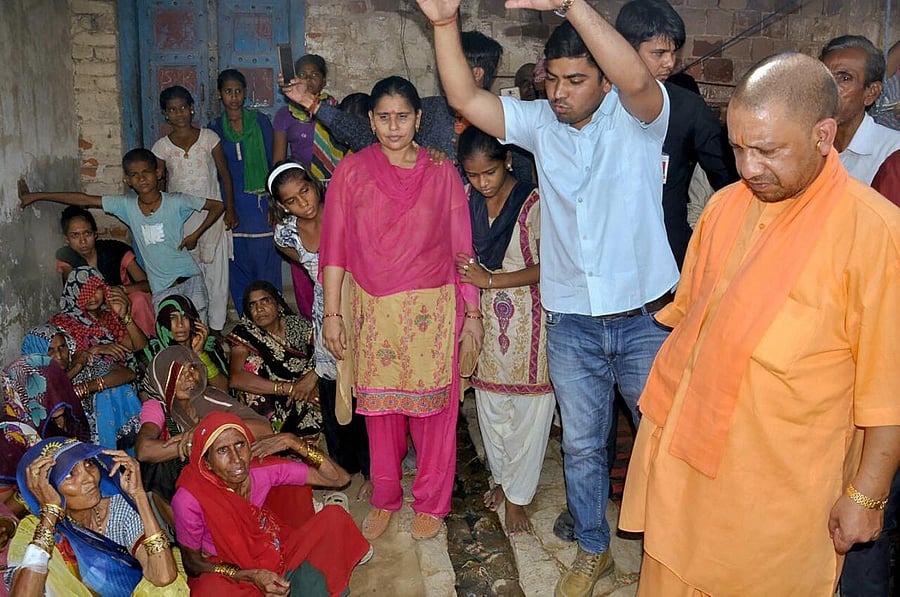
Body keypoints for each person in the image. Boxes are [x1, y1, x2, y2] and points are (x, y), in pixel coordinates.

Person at [417, 0, 675, 593]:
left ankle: (670, 549)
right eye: (552, 79)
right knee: (582, 448)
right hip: (574, 326)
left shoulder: (640, 115)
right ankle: (593, 550)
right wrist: (443, 24)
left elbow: (637, 75)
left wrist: (570, 5)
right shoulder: (539, 124)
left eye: (576, 80)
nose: (559, 93)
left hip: (644, 321)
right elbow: (465, 99)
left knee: (660, 443)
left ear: (605, 78)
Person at [619, 52, 900, 595]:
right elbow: (692, 332)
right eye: (739, 147)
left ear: (824, 136)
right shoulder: (725, 207)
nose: (748, 168)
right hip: (686, 474)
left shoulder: (876, 233)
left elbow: (887, 393)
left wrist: (866, 495)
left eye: (769, 151)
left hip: (777, 499)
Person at [320, 75, 482, 542]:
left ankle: (432, 501)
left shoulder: (441, 171)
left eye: (403, 117)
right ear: (370, 121)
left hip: (432, 309)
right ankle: (386, 497)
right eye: (384, 117)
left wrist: (470, 312)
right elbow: (334, 250)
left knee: (436, 414)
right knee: (381, 414)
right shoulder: (351, 172)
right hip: (373, 309)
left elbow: (460, 246)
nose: (394, 127)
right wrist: (333, 314)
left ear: (418, 120)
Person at [455, 127, 554, 534]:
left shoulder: (534, 203)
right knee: (491, 409)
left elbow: (552, 267)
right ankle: (502, 481)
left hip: (530, 322)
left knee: (529, 414)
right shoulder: (465, 200)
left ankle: (518, 498)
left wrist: (490, 281)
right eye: (473, 175)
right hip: (485, 321)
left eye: (490, 173)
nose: (482, 183)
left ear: (508, 161)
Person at [171, 412, 370, 595]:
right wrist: (250, 575)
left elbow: (340, 479)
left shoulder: (260, 469)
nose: (237, 459)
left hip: (274, 549)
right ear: (207, 463)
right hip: (231, 572)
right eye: (222, 450)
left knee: (334, 518)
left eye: (240, 444)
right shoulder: (190, 498)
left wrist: (293, 442)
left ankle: (297, 583)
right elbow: (192, 563)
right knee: (210, 590)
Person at [18, 148, 225, 322]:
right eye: (134, 175)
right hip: (161, 289)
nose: (141, 178)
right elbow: (83, 199)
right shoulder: (126, 206)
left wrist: (195, 235)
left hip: (190, 278)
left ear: (158, 173)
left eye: (147, 172)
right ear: (127, 180)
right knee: (171, 339)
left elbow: (217, 207)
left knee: (199, 334)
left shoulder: (176, 201)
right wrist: (36, 197)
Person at [269, 161, 372, 501]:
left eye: (305, 190)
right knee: (332, 387)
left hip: (361, 308)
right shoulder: (287, 234)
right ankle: (345, 465)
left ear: (314, 185)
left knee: (365, 387)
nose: (304, 202)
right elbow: (302, 259)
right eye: (292, 200)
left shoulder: (345, 212)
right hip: (325, 312)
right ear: (283, 206)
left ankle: (374, 469)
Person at [615, 0, 737, 268]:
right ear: (625, 50)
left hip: (667, 256)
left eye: (673, 53)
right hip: (608, 256)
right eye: (658, 53)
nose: (670, 62)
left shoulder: (687, 108)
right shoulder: (598, 105)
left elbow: (728, 178)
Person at [7, 438, 187, 596]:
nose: (90, 479)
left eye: (88, 464)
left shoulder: (117, 510)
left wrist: (139, 496)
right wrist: (49, 515)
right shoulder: (34, 529)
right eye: (70, 474)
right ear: (49, 487)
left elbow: (164, 577)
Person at [135, 346, 270, 505]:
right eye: (179, 373)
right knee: (159, 472)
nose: (191, 378)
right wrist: (191, 444)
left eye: (192, 368)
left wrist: (206, 433)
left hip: (230, 467)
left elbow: (264, 428)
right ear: (163, 378)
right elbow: (144, 451)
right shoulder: (157, 405)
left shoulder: (208, 397)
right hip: (191, 480)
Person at [152, 85, 236, 333]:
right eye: (172, 110)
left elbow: (225, 175)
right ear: (165, 114)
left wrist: (230, 209)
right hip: (181, 219)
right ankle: (196, 327)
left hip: (214, 213)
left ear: (192, 108)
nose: (179, 114)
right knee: (191, 274)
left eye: (183, 108)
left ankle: (217, 328)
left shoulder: (209, 138)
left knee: (217, 273)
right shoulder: (162, 147)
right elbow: (160, 184)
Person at [208, 69, 282, 313]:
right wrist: (227, 208)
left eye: (238, 91)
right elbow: (217, 172)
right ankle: (247, 324)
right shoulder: (214, 128)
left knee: (266, 264)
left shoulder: (260, 122)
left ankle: (274, 318)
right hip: (233, 205)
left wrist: (274, 202)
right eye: (228, 92)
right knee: (237, 265)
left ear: (245, 93)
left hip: (261, 205)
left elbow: (273, 163)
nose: (234, 97)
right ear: (220, 95)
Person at [49, 266, 145, 450]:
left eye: (97, 289)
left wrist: (125, 316)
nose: (92, 296)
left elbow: (138, 346)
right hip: (87, 381)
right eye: (85, 291)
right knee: (113, 392)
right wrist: (97, 348)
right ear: (74, 292)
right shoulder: (63, 323)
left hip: (122, 374)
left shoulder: (107, 317)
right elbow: (65, 359)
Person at [227, 281, 321, 437]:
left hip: (305, 391)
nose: (259, 309)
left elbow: (325, 351)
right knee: (252, 365)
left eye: (265, 301)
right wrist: (290, 388)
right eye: (252, 305)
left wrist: (311, 379)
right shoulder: (245, 333)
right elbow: (236, 378)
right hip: (269, 397)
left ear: (278, 305)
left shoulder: (296, 325)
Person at [21, 323, 138, 445]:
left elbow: (127, 374)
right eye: (50, 350)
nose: (59, 355)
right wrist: (77, 367)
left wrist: (87, 387)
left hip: (97, 431)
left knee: (113, 391)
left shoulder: (77, 363)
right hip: (58, 446)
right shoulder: (30, 381)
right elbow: (50, 393)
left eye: (62, 347)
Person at [56, 206, 155, 336]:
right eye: (75, 236)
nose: (83, 241)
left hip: (125, 304)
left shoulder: (116, 250)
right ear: (66, 239)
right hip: (95, 311)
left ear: (95, 234)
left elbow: (148, 284)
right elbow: (74, 297)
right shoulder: (67, 257)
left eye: (87, 233)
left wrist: (123, 290)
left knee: (139, 299)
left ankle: (149, 344)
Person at [820, 35, 900, 185]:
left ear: (871, 93)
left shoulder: (893, 153)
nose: (828, 88)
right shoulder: (805, 146)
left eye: (844, 78)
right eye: (824, 77)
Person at [142, 295, 229, 394]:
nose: (180, 324)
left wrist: (200, 354)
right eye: (172, 318)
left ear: (195, 321)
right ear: (163, 323)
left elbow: (223, 390)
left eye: (185, 317)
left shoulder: (209, 347)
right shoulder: (152, 354)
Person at [2, 355, 89, 444]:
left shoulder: (69, 419)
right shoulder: (11, 437)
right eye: (46, 392)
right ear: (22, 394)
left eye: (57, 385)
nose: (56, 397)